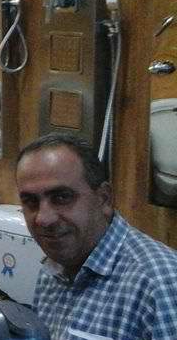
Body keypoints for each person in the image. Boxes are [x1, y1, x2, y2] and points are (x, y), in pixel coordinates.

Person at [15, 133, 177, 339]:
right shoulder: (52, 270)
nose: (43, 219)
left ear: (104, 199)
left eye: (62, 197)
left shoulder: (161, 284)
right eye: (30, 201)